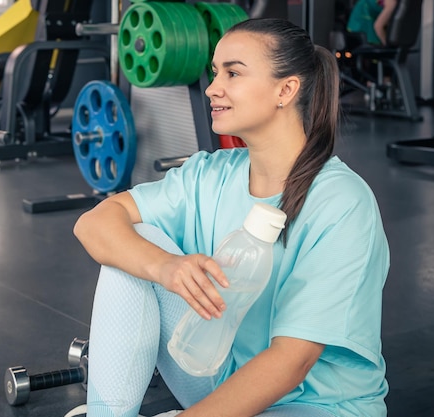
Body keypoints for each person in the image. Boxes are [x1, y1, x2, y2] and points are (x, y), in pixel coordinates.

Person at [72, 18, 390, 417]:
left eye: (233, 73)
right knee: (135, 246)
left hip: (316, 406)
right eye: (215, 71)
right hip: (217, 374)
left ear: (285, 90)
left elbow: (292, 362)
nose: (211, 87)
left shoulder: (342, 202)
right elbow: (93, 223)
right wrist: (165, 266)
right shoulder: (209, 172)